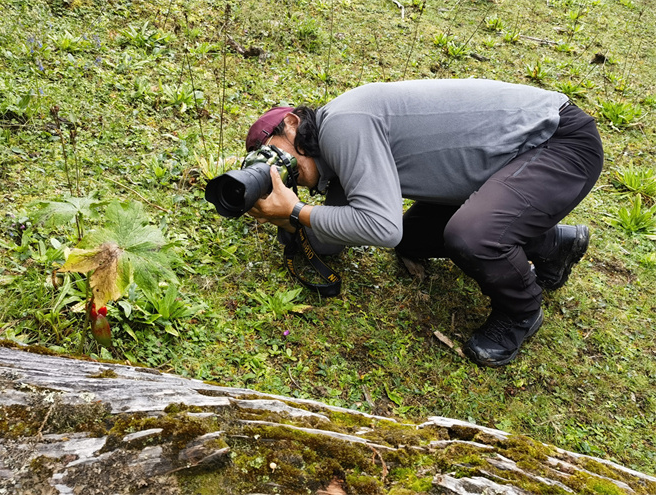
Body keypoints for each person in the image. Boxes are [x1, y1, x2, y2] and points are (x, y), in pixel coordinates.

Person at [244, 79, 604, 367]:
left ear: (292, 124)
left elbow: (381, 228)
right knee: (413, 238)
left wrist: (295, 211)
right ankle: (554, 245)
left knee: (471, 236)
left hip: (559, 142)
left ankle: (522, 311)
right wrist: (288, 217)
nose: (277, 169)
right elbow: (330, 241)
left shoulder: (342, 125)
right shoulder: (334, 147)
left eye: (273, 153)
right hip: (506, 162)